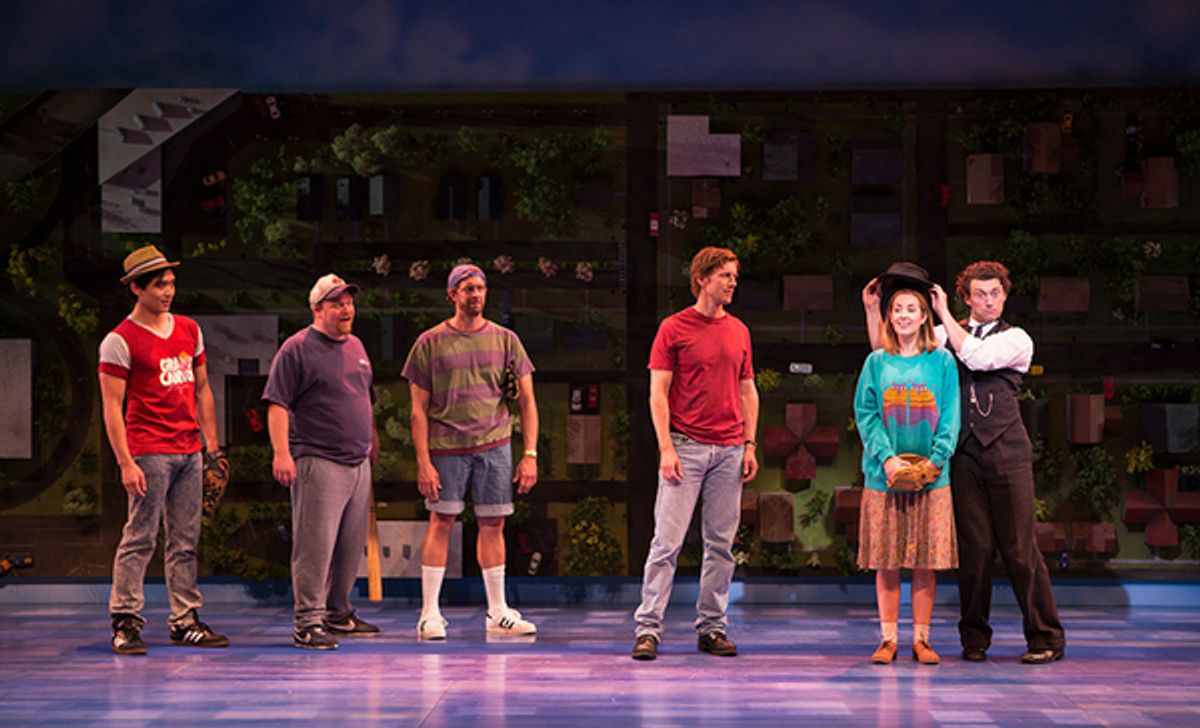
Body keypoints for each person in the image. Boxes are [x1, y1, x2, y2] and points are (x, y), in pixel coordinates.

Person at [864, 260, 1066, 664]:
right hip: (966, 454)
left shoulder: (1017, 339)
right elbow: (892, 355)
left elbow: (976, 357)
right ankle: (974, 639)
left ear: (1005, 296)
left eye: (995, 293)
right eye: (980, 294)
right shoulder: (943, 334)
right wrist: (873, 311)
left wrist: (942, 316)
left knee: (1019, 547)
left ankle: (1044, 636)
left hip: (1007, 451)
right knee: (974, 549)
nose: (988, 301)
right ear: (966, 298)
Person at [99, 245, 229, 655]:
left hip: (189, 449)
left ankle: (184, 619)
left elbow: (203, 389)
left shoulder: (189, 329)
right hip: (149, 451)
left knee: (185, 539)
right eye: (159, 284)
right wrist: (125, 462)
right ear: (136, 288)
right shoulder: (120, 340)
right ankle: (125, 621)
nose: (168, 291)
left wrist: (213, 448)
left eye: (171, 282)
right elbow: (111, 407)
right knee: (139, 538)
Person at [631, 246, 759, 661]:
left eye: (734, 276)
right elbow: (658, 393)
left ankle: (712, 628)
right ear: (702, 279)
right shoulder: (674, 327)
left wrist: (750, 443)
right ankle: (648, 628)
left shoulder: (739, 330)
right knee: (666, 543)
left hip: (729, 448)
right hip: (685, 446)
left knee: (720, 545)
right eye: (725, 275)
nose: (732, 282)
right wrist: (666, 447)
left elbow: (747, 390)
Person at [403, 263, 540, 640]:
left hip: (494, 446)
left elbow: (527, 399)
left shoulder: (506, 340)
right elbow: (417, 409)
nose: (475, 294)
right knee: (441, 522)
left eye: (480, 288)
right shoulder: (429, 342)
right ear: (452, 295)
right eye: (467, 288)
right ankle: (429, 613)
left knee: (494, 523)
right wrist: (423, 462)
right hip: (446, 447)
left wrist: (529, 453)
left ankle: (498, 611)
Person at [264, 273, 381, 650]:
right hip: (318, 458)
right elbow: (278, 403)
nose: (346, 308)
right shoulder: (296, 349)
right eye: (337, 303)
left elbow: (365, 398)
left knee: (350, 545)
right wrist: (282, 452)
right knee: (315, 545)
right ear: (317, 309)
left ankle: (338, 613)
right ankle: (308, 620)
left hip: (357, 461)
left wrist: (371, 442)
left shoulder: (357, 346)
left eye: (349, 302)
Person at [855, 263, 960, 665]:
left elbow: (950, 413)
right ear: (889, 316)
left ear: (924, 316)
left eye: (911, 309)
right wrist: (887, 459)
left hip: (933, 477)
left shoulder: (942, 362)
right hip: (885, 475)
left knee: (924, 561)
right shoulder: (877, 362)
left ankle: (921, 638)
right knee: (887, 560)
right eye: (897, 309)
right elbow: (867, 413)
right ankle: (887, 639)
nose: (903, 315)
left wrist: (935, 459)